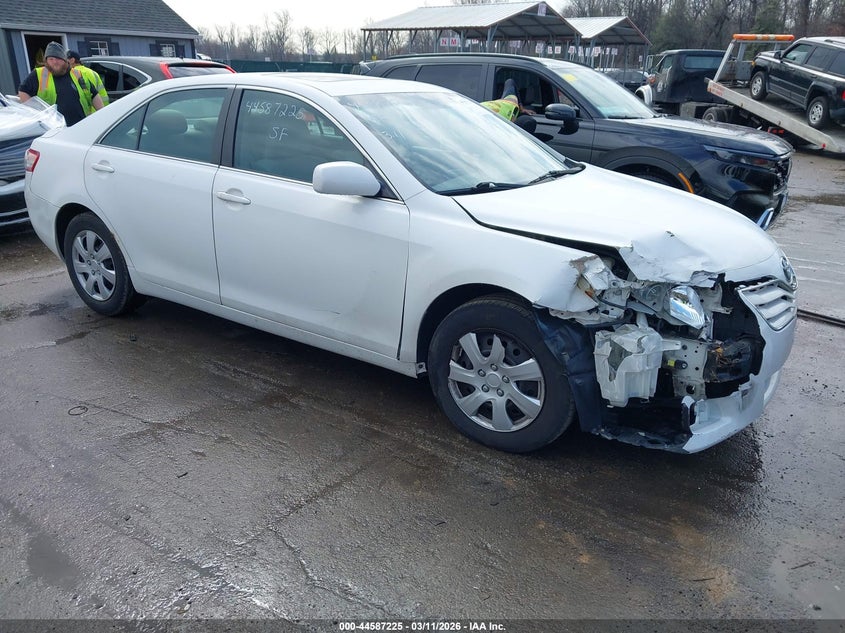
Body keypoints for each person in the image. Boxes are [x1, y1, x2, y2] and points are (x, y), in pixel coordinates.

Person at [18, 41, 104, 126]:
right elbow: (23, 91)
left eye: (58, 59)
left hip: (82, 125)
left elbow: (94, 95)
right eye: (51, 59)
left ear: (65, 60)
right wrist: (35, 115)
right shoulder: (38, 74)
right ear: (46, 61)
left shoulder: (78, 74)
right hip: (53, 129)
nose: (55, 62)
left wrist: (103, 117)